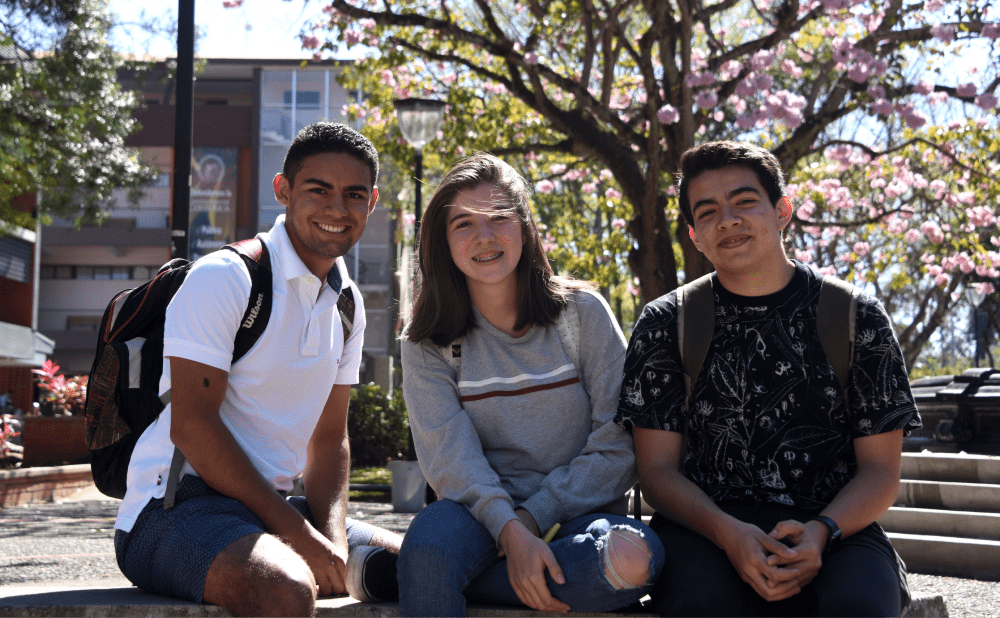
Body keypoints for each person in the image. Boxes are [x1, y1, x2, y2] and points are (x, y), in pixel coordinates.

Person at [616, 140, 922, 617]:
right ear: (695, 234)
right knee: (703, 605)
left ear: (782, 210)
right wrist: (728, 533)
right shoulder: (665, 324)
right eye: (709, 211)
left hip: (836, 526)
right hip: (705, 527)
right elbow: (657, 472)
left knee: (858, 606)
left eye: (744, 202)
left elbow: (881, 471)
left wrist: (822, 531)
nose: (729, 220)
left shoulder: (856, 317)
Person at [113, 122, 402, 617]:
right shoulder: (226, 278)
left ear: (372, 202)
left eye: (353, 195)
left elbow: (329, 439)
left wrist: (329, 538)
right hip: (174, 508)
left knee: (425, 559)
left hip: (272, 508)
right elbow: (193, 427)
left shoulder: (348, 303)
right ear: (283, 190)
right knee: (285, 588)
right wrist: (299, 537)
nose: (337, 209)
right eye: (318, 190)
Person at [384, 153, 663, 616]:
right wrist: (509, 531)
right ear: (442, 241)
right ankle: (442, 570)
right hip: (473, 517)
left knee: (633, 561)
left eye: (499, 218)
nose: (485, 237)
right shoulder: (427, 343)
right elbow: (449, 460)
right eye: (464, 225)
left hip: (579, 516)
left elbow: (619, 446)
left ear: (525, 226)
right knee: (430, 546)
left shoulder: (582, 315)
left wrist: (531, 521)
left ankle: (442, 578)